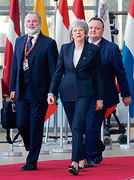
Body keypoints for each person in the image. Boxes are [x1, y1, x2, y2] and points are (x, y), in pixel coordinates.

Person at [47, 19, 104, 175]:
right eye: (75, 30)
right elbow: (58, 72)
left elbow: (99, 75)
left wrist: (100, 98)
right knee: (75, 127)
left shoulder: (93, 50)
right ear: (71, 33)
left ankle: (75, 161)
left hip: (86, 93)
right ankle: (83, 157)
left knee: (78, 125)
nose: (77, 33)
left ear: (85, 32)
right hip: (67, 93)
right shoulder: (65, 49)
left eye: (80, 30)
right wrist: (51, 92)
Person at [9, 11, 58, 171]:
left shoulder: (49, 43)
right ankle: (31, 145)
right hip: (22, 92)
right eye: (28, 21)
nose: (31, 24)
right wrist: (12, 88)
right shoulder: (19, 41)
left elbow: (54, 71)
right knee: (22, 124)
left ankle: (32, 161)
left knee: (35, 125)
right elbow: (15, 66)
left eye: (34, 21)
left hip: (40, 93)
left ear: (40, 23)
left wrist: (52, 92)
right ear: (25, 23)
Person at [85, 17, 132, 167]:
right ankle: (98, 147)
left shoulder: (111, 48)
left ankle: (91, 157)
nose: (93, 30)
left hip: (102, 95)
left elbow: (120, 73)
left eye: (96, 28)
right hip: (82, 94)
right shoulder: (79, 45)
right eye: (91, 27)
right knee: (84, 126)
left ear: (102, 31)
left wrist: (125, 94)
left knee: (92, 125)